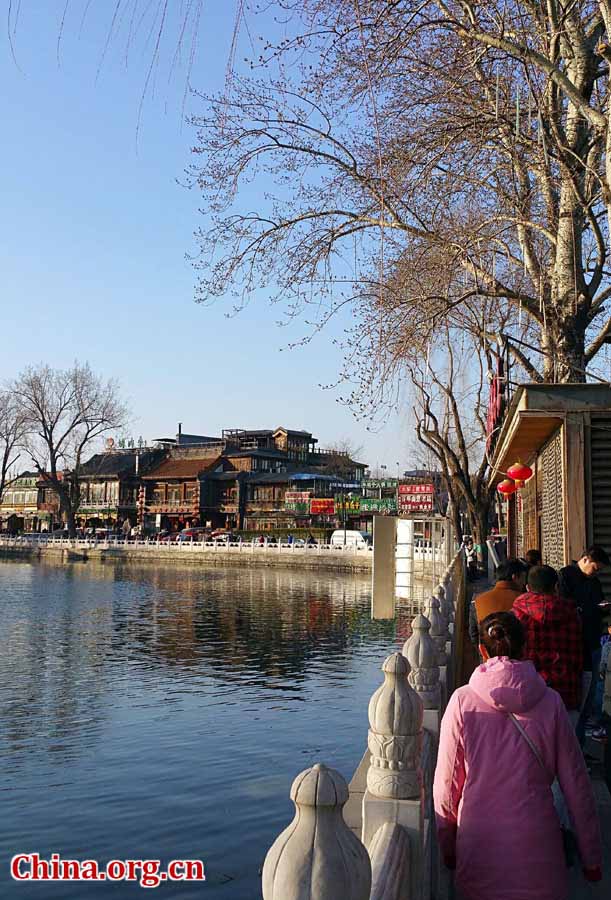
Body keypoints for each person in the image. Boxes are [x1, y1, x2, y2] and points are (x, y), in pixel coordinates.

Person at [433, 612, 602, 900]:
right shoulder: (551, 702)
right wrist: (592, 860)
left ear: (482, 650)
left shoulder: (462, 701)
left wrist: (448, 848)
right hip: (538, 848)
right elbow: (578, 788)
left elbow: (447, 787)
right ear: (525, 648)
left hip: (479, 846)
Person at [512, 565, 582, 720]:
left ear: (528, 587)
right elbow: (578, 654)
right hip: (565, 690)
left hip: (527, 690)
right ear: (556, 587)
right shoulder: (571, 612)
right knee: (565, 742)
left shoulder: (516, 613)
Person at [559, 545, 611, 746]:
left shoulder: (594, 582)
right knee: (576, 698)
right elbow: (566, 607)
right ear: (586, 559)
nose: (596, 573)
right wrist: (589, 609)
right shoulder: (565, 577)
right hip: (573, 644)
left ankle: (580, 743)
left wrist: (603, 609)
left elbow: (597, 605)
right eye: (596, 568)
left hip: (593, 640)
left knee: (589, 695)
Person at [468, 559, 526, 646]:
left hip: (488, 655)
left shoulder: (478, 600)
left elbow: (474, 634)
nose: (524, 583)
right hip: (519, 656)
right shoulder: (524, 600)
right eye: (523, 578)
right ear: (515, 577)